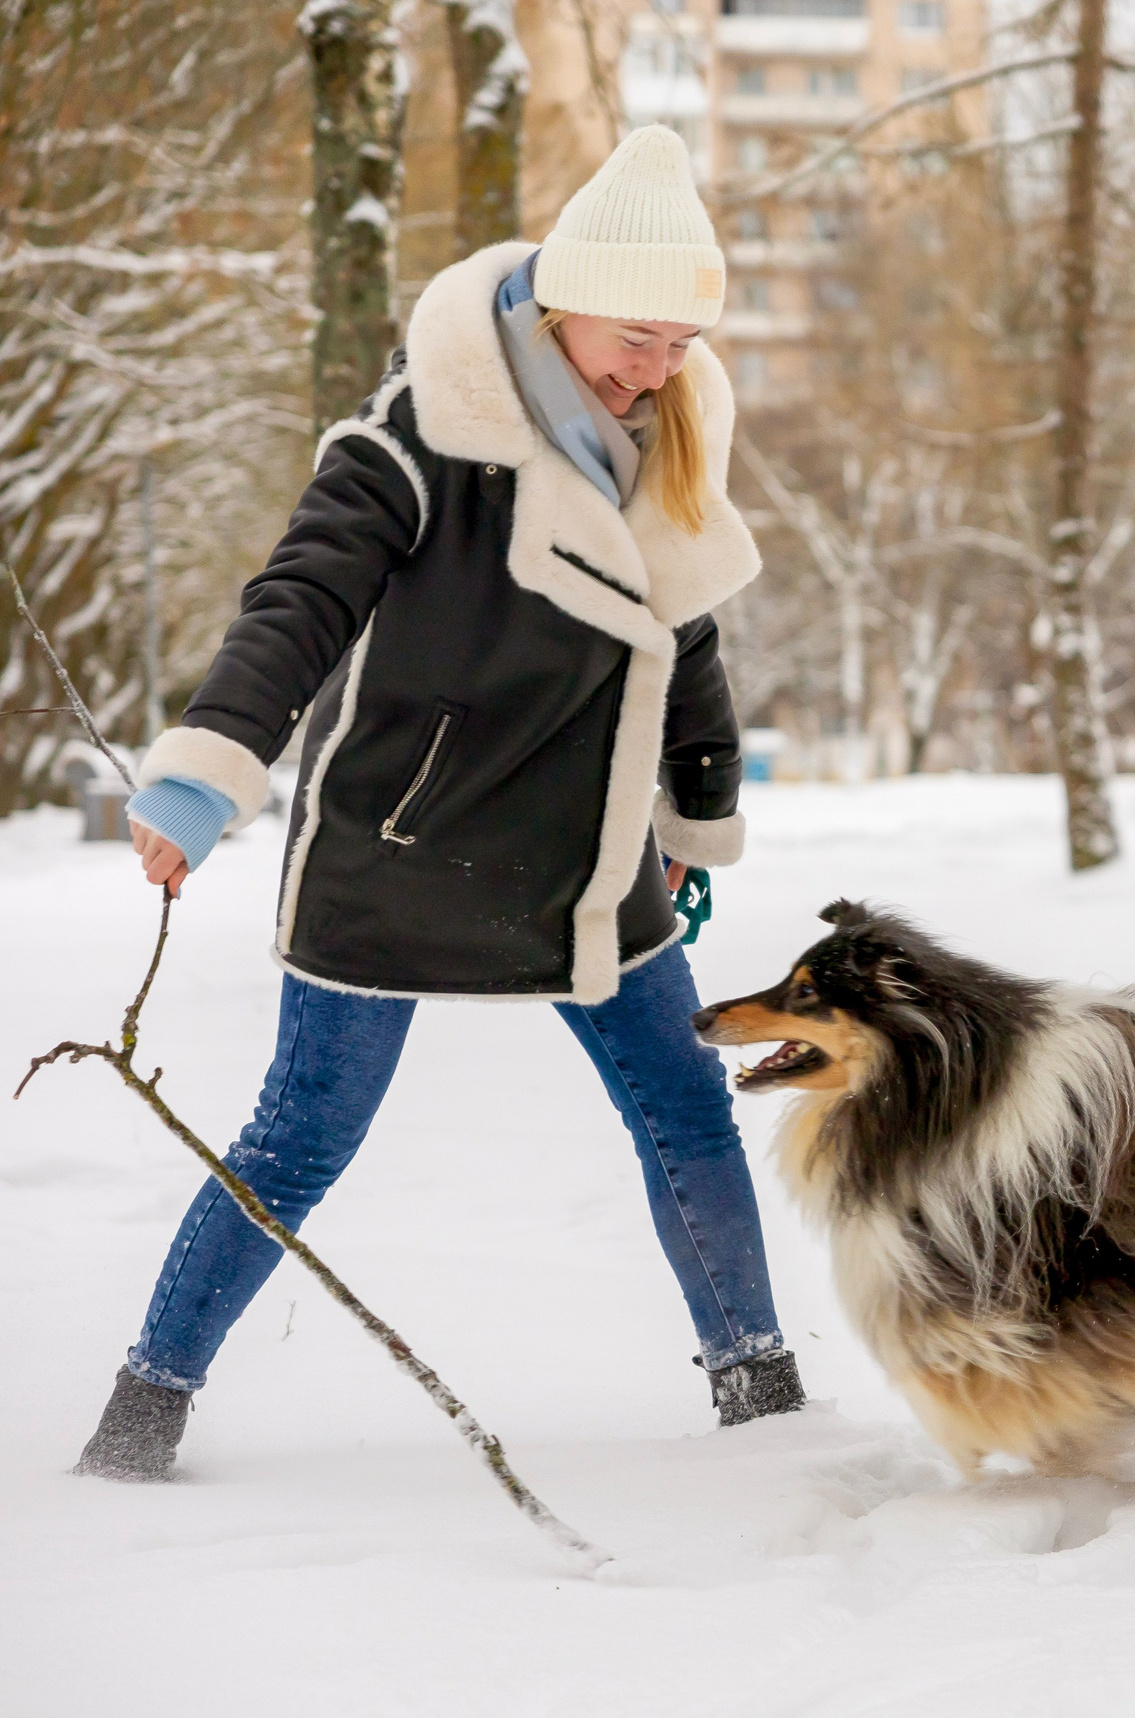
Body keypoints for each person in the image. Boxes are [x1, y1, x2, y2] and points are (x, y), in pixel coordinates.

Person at [74, 127, 804, 1481]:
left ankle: (760, 1393)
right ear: (563, 296)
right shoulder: (420, 429)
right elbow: (301, 595)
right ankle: (142, 1413)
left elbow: (681, 635)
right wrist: (204, 768)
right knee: (300, 1136)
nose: (657, 367)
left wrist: (698, 810)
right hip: (396, 839)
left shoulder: (665, 434)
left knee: (686, 1104)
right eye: (637, 336)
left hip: (584, 849)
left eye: (681, 342)